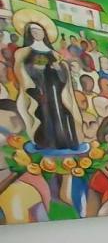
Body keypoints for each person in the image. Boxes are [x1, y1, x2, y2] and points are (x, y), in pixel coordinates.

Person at [13, 10, 81, 151]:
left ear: (44, 33)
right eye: (33, 31)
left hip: (55, 92)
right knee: (43, 115)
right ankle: (45, 143)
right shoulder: (24, 52)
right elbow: (21, 70)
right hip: (38, 92)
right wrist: (36, 68)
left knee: (60, 114)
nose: (37, 33)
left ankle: (63, 142)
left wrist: (59, 69)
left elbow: (64, 76)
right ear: (29, 34)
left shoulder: (54, 54)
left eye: (39, 30)